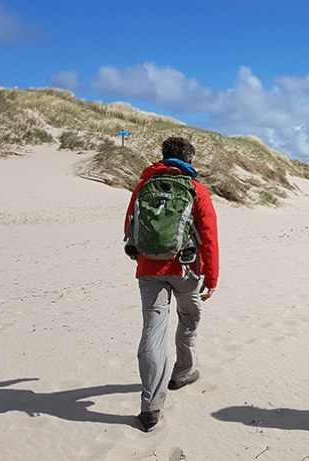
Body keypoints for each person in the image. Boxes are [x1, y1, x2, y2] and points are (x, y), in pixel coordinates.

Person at [124, 137, 219, 432]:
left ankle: (150, 409)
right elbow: (208, 236)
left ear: (163, 156)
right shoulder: (194, 189)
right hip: (185, 271)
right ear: (189, 159)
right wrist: (212, 277)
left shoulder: (144, 185)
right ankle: (183, 372)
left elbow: (130, 224)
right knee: (189, 316)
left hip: (149, 270)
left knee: (152, 333)